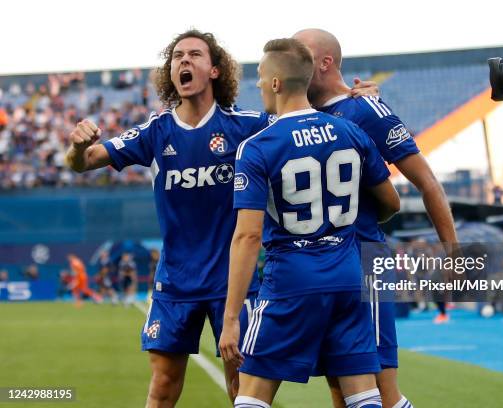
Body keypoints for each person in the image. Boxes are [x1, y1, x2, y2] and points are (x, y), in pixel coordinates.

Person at [64, 28, 381, 407]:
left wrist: (353, 100)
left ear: (215, 70)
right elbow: (84, 163)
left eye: (195, 55)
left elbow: (300, 114)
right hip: (176, 281)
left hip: (234, 280)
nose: (183, 61)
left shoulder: (248, 125)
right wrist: (78, 147)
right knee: (162, 385)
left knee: (241, 386)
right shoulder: (156, 130)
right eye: (177, 56)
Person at [219, 38, 400, 408]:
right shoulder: (351, 133)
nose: (256, 84)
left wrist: (231, 317)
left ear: (275, 83)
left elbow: (248, 236)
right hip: (349, 279)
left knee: (251, 397)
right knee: (364, 396)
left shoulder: (257, 146)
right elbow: (391, 203)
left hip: (290, 284)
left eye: (258, 76)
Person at [292, 28, 459, 407]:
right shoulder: (297, 117)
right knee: (342, 390)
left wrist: (452, 253)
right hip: (324, 270)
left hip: (365, 262)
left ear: (325, 62)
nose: (291, 61)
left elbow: (427, 181)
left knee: (381, 392)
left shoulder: (365, 109)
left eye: (300, 54)